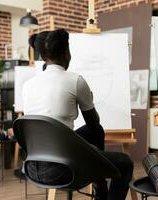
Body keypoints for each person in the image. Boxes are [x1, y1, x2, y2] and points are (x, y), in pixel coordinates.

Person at [22, 29, 133, 200]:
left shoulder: (28, 86)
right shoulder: (75, 80)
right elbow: (93, 122)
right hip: (63, 169)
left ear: (43, 57)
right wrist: (89, 100)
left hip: (32, 167)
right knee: (125, 163)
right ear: (66, 53)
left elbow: (93, 130)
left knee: (95, 133)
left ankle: (99, 186)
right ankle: (100, 187)